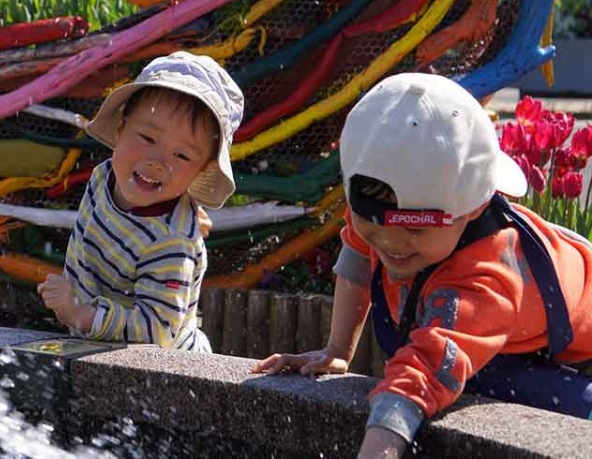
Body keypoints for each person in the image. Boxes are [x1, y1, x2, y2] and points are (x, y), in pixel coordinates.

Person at [252, 73, 592, 458]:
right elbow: (358, 252)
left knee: (505, 390)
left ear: (474, 207)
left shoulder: (486, 275)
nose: (392, 244)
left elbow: (425, 372)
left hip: (577, 355)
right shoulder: (382, 204)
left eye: (415, 230)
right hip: (507, 336)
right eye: (374, 229)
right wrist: (337, 348)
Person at [37, 51, 244, 350]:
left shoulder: (171, 243)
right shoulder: (103, 177)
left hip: (168, 372)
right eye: (147, 138)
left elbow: (157, 332)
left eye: (182, 155)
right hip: (98, 340)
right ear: (121, 128)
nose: (158, 161)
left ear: (201, 171)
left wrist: (82, 315)